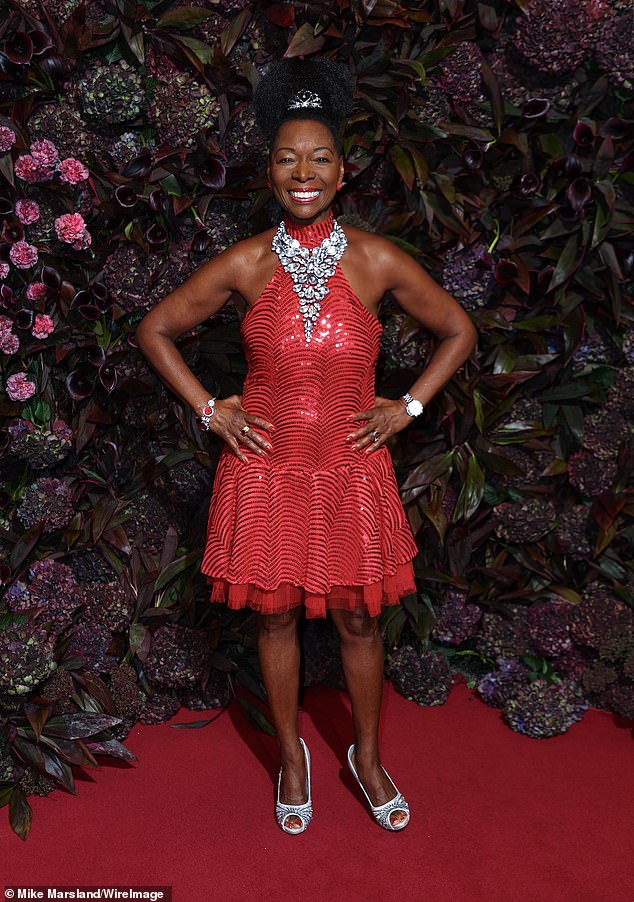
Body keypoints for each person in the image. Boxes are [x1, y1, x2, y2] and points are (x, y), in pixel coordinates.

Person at [136, 57, 477, 836]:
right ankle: (292, 756)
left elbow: (460, 329)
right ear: (269, 171)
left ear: (342, 172)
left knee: (360, 622)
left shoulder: (378, 259)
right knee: (277, 620)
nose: (303, 172)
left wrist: (410, 405)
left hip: (354, 474)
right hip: (266, 474)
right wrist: (209, 410)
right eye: (288, 157)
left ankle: (367, 756)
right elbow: (153, 328)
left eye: (319, 157)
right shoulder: (248, 262)